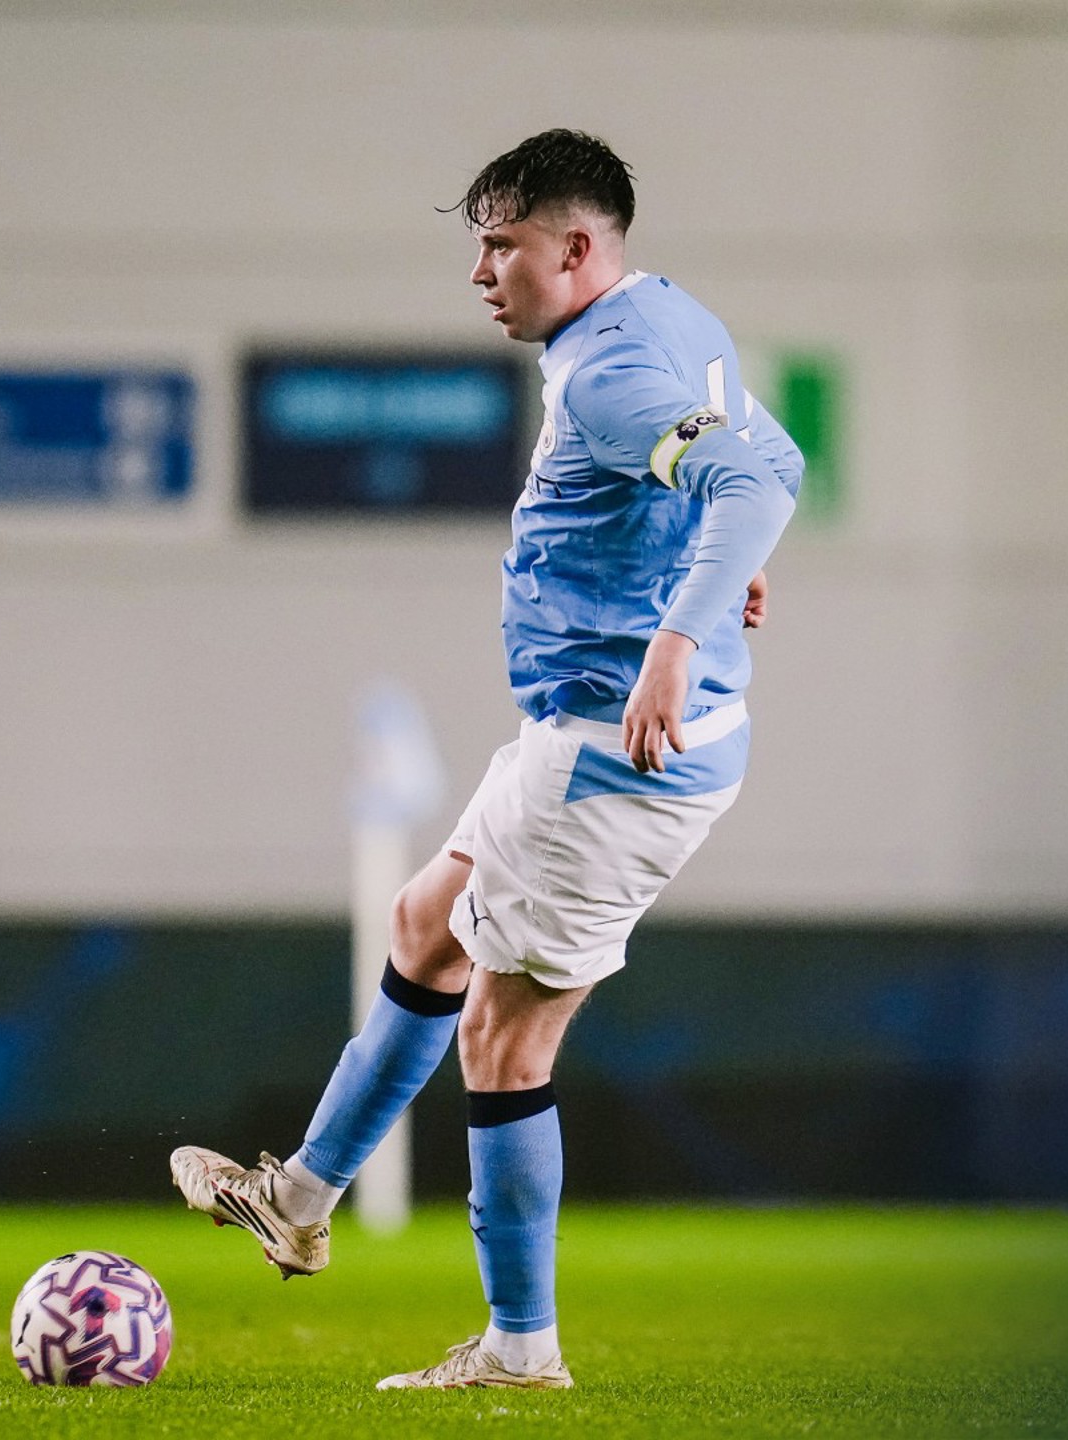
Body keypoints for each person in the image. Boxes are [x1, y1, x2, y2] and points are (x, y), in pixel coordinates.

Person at [170, 128, 802, 1391]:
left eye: (501, 246)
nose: (481, 274)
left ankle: (521, 1348)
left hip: (614, 757)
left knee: (504, 1044)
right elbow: (772, 458)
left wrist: (679, 632)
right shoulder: (671, 321)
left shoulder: (612, 375)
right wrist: (718, 570)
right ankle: (298, 1197)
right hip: (578, 733)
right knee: (424, 924)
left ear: (576, 248)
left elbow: (749, 487)